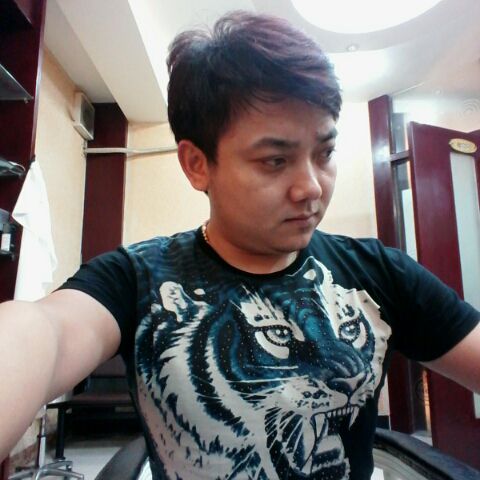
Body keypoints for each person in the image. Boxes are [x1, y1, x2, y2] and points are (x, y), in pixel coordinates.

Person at [1, 10, 479, 480]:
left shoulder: (377, 271)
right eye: (275, 160)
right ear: (196, 165)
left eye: (325, 153)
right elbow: (47, 331)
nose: (312, 187)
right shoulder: (136, 278)